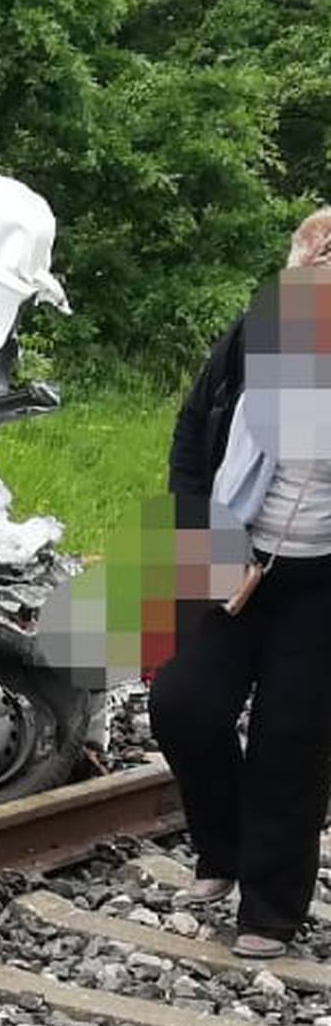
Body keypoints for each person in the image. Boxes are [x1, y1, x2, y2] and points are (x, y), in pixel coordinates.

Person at [151, 207, 331, 959]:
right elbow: (194, 434)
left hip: (322, 582)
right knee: (180, 704)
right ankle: (219, 852)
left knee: (291, 741)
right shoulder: (255, 338)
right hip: (231, 549)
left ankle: (269, 908)